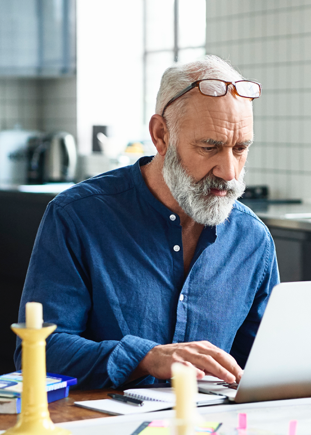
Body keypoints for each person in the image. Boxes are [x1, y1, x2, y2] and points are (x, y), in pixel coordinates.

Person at [15, 55, 280, 389]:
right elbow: (38, 352)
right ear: (161, 135)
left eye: (240, 148)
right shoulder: (77, 217)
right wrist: (146, 358)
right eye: (209, 147)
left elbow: (264, 363)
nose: (229, 172)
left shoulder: (251, 238)